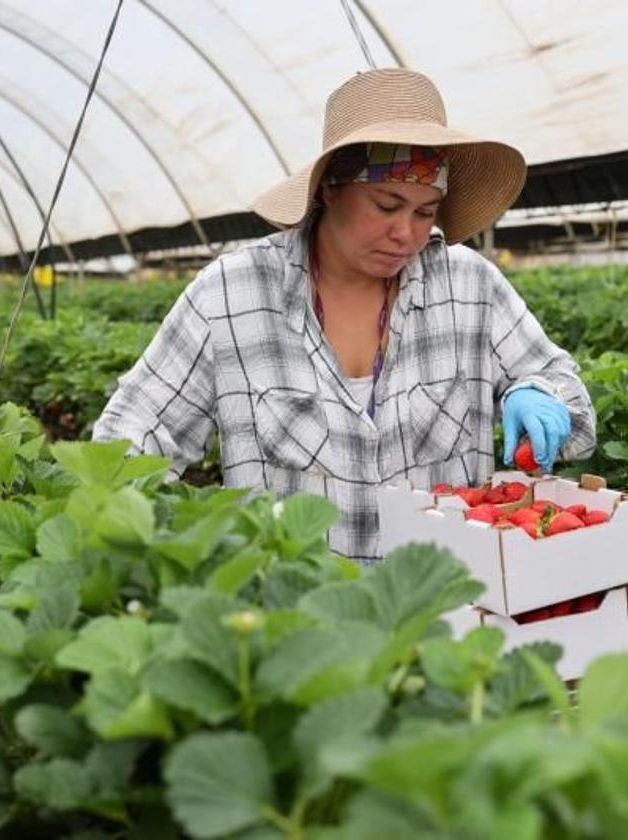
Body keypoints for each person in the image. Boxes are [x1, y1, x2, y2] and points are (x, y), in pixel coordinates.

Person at [93, 68, 596, 564]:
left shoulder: (469, 287)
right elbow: (132, 436)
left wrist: (539, 393)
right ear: (330, 189)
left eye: (425, 212)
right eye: (386, 204)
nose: (407, 233)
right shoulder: (230, 295)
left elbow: (566, 395)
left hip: (447, 614)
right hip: (294, 619)